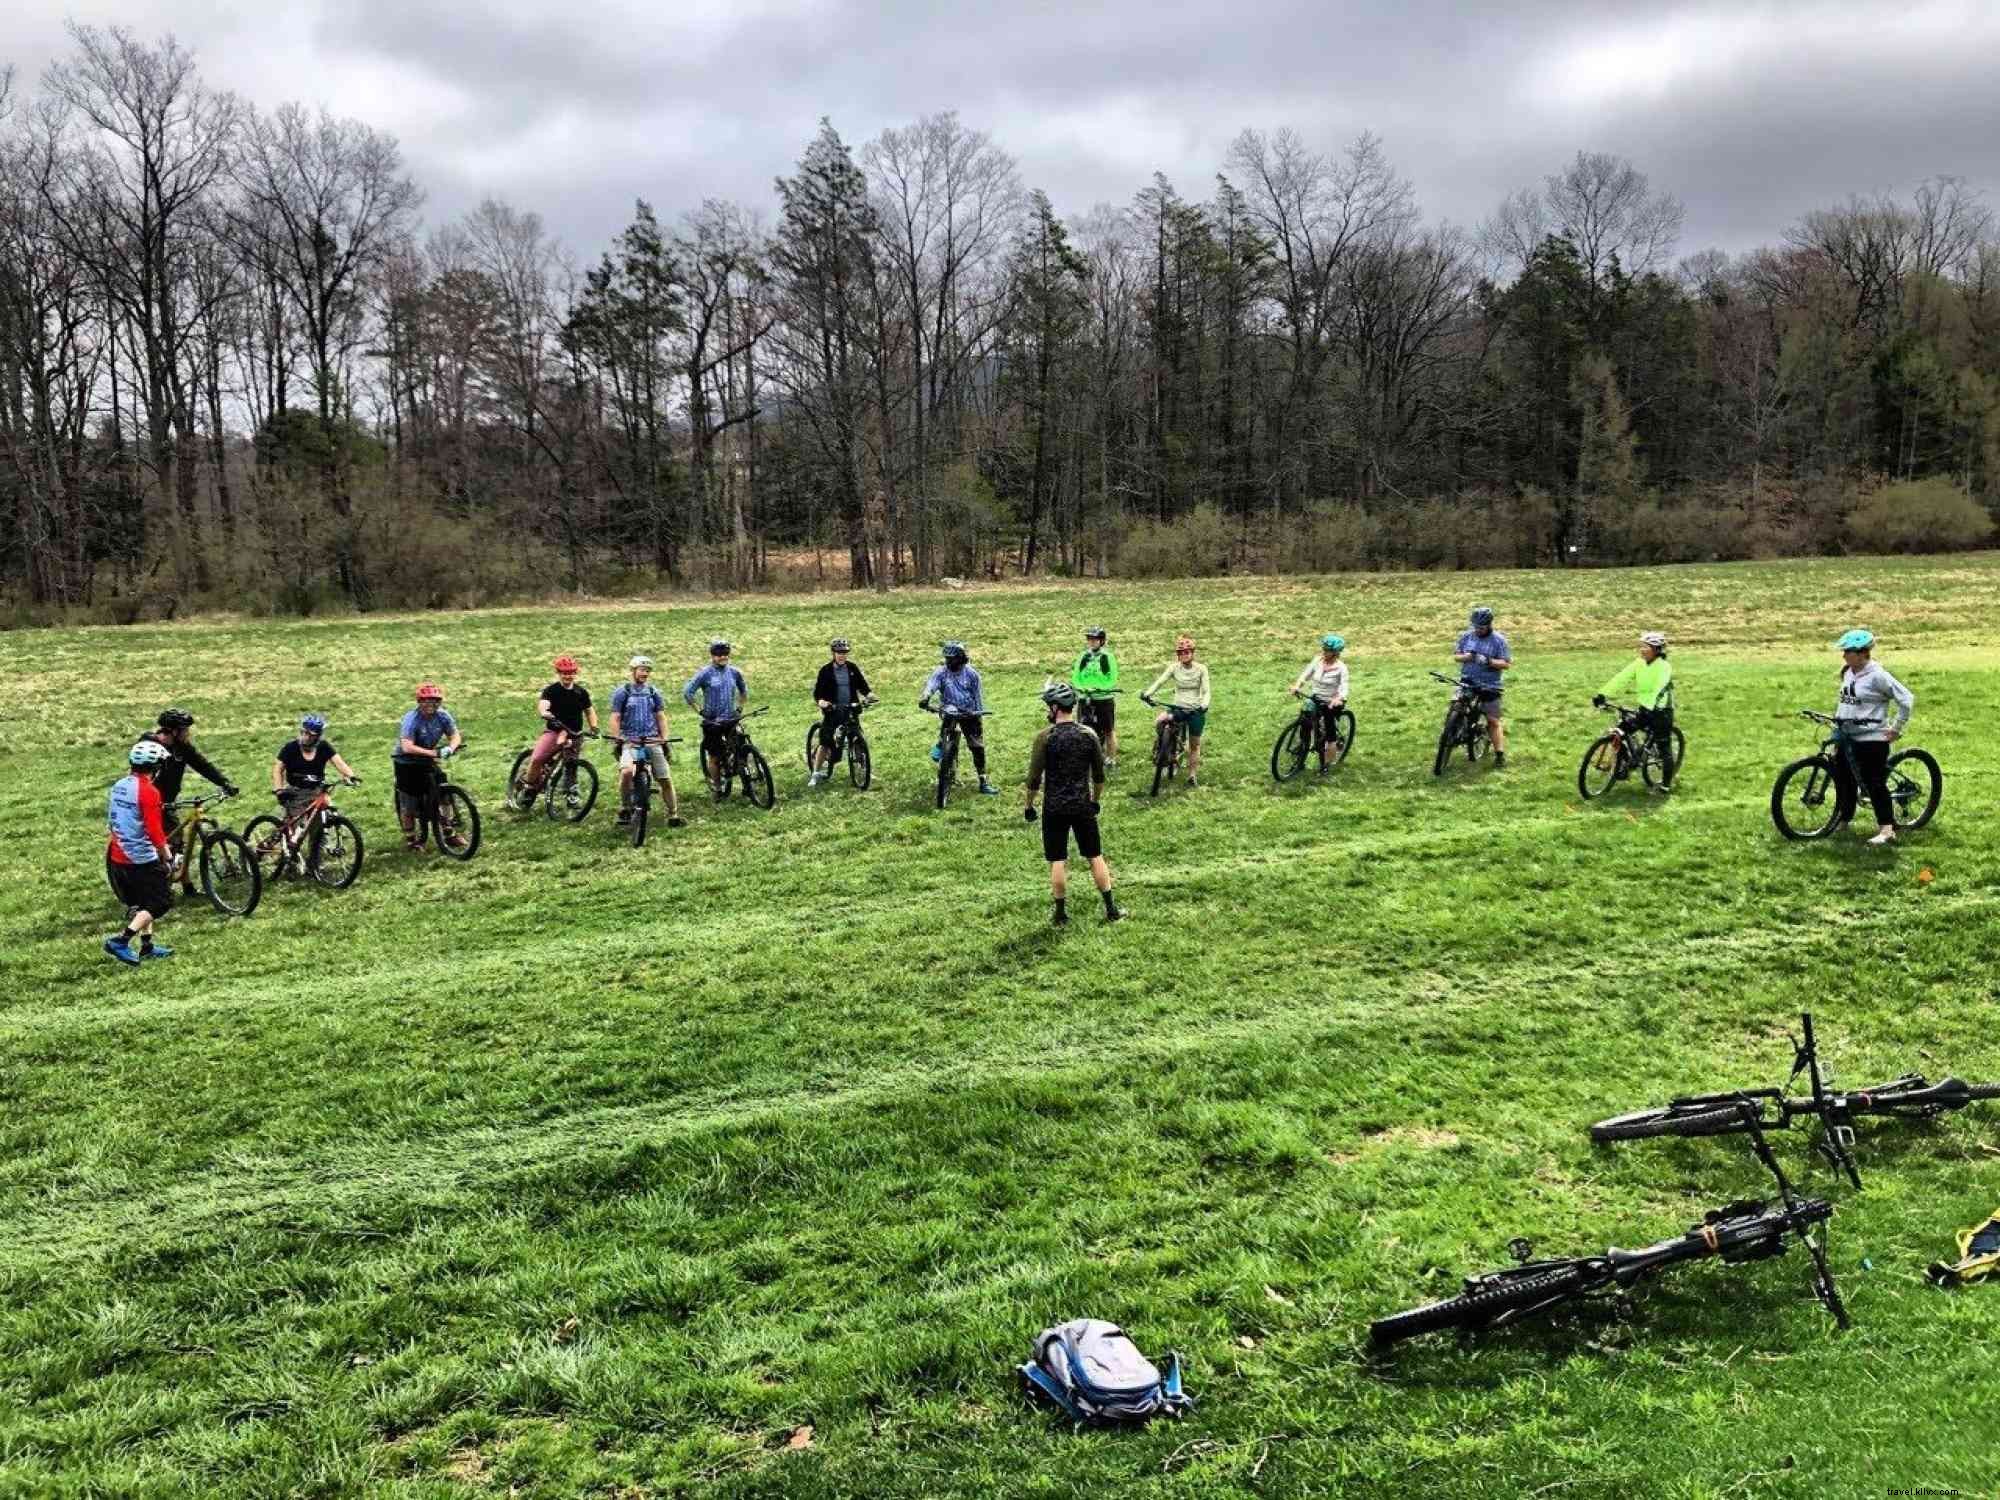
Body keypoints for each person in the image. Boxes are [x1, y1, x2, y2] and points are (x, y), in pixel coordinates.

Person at [1025, 683, 1124, 926]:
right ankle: (1111, 909)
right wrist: (1095, 801)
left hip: (1054, 807)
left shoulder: (1044, 738)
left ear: (1056, 708)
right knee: (1095, 856)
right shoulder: (1088, 735)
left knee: (1058, 859)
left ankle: (1060, 914)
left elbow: (1034, 778)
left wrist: (1029, 805)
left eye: (1049, 706)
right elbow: (1099, 776)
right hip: (1082, 805)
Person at [1831, 628, 1913, 846]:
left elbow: (1906, 699)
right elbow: (1846, 701)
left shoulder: (1878, 676)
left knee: (1874, 782)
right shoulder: (1848, 671)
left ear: (1861, 653)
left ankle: (1887, 829)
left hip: (1872, 738)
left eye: (1847, 651)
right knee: (1843, 778)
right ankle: (1843, 820)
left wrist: (1896, 728)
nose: (1844, 655)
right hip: (1847, 735)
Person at [141, 708, 238, 885]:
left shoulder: (183, 748)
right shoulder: (150, 746)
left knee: (177, 844)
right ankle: (154, 883)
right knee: (154, 843)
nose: (188, 734)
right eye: (185, 730)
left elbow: (202, 765)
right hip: (147, 802)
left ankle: (183, 882)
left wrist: (224, 783)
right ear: (174, 731)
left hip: (167, 802)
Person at [103, 739, 176, 965]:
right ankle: (121, 941)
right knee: (160, 902)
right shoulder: (149, 792)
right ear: (155, 766)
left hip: (118, 853)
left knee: (144, 902)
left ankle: (147, 946)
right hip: (139, 858)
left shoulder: (119, 785)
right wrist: (167, 854)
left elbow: (111, 821)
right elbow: (154, 830)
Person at [1593, 632, 1676, 791]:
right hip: (1645, 709)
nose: (1642, 650)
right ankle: (1624, 767)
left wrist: (1652, 707)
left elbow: (1660, 688)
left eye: (1647, 647)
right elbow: (1621, 678)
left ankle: (1665, 784)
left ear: (1657, 650)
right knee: (1622, 729)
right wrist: (1603, 693)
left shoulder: (1664, 667)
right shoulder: (1638, 663)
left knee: (1664, 747)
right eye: (1642, 646)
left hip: (1661, 711)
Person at [610, 655, 683, 827]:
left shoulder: (653, 692)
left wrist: (664, 737)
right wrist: (617, 737)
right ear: (633, 671)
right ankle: (626, 807)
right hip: (631, 741)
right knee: (627, 772)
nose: (645, 673)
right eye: (642, 670)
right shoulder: (623, 692)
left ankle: (673, 814)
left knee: (664, 778)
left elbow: (660, 716)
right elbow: (615, 717)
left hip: (652, 740)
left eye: (648, 671)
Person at [516, 655, 600, 805]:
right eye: (564, 673)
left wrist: (594, 726)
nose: (568, 676)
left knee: (571, 764)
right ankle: (528, 786)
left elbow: (589, 710)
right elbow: (544, 704)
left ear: (575, 673)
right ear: (559, 673)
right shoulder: (551, 690)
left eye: (571, 673)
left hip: (575, 734)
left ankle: (571, 792)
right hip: (554, 731)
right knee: (537, 759)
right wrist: (545, 712)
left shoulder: (581, 693)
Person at [919, 640, 998, 794]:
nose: (949, 661)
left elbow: (977, 697)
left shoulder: (972, 674)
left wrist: (977, 712)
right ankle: (942, 743)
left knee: (977, 747)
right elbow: (931, 685)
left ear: (961, 658)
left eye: (952, 658)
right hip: (950, 709)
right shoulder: (941, 672)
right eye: (947, 658)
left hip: (970, 713)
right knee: (949, 715)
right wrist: (925, 697)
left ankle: (983, 781)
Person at [393, 683, 462, 851]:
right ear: (419, 702)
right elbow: (407, 746)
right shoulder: (411, 719)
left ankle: (448, 832)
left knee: (444, 793)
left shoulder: (443, 716)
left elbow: (455, 735)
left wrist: (451, 748)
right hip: (406, 762)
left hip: (427, 759)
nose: (431, 704)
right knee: (409, 804)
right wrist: (434, 754)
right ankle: (412, 840)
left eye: (435, 701)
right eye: (426, 701)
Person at [684, 639, 751, 796]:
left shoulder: (734, 672)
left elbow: (743, 690)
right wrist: (700, 711)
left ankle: (747, 785)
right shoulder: (705, 674)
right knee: (715, 756)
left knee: (742, 749)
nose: (723, 657)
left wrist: (740, 708)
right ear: (713, 656)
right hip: (712, 721)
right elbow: (688, 693)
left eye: (725, 654)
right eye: (719, 655)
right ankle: (718, 789)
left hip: (731, 718)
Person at [1142, 635, 1211, 786]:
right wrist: (1148, 693)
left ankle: (1192, 775)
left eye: (1187, 652)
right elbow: (1160, 682)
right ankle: (1162, 750)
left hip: (1195, 710)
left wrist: (1204, 705)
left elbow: (1206, 691)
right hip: (1177, 708)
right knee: (1159, 721)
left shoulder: (1201, 669)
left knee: (1194, 745)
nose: (1184, 655)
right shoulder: (1174, 668)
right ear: (1178, 655)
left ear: (1192, 653)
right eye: (1181, 653)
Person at [809, 637, 874, 787]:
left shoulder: (852, 668)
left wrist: (869, 695)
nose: (842, 655)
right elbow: (818, 693)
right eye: (839, 652)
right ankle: (815, 773)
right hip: (833, 711)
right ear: (833, 653)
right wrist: (822, 702)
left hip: (850, 709)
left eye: (844, 652)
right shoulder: (826, 670)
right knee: (825, 742)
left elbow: (863, 686)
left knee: (858, 739)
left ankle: (864, 769)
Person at [271, 714, 358, 826]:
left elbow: (339, 763)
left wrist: (351, 776)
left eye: (310, 735)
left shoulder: (323, 747)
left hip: (317, 791)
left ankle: (320, 840)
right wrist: (279, 790)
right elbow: (278, 769)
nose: (306, 737)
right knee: (296, 829)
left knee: (321, 823)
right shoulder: (290, 748)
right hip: (296, 793)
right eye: (304, 732)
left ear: (317, 737)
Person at [1453, 606, 1512, 767]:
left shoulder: (1499, 641)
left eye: (1481, 627)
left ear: (1489, 625)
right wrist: (1467, 657)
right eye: (1475, 626)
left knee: (1493, 720)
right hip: (1467, 680)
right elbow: (1456, 656)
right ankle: (1452, 732)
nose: (1478, 630)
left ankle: (1499, 754)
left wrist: (1489, 661)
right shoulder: (1466, 637)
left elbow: (1506, 664)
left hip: (1490, 685)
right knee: (1456, 706)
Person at [1291, 634, 1350, 772]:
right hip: (1316, 698)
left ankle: (1326, 764)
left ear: (1336, 653)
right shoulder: (1317, 660)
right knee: (1305, 723)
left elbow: (1344, 687)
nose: (1324, 651)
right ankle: (1301, 758)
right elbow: (1306, 674)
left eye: (1327, 650)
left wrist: (1338, 698)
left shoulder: (1341, 668)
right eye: (1323, 648)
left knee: (1327, 733)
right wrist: (1297, 685)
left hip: (1332, 702)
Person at [1071, 626, 1120, 772]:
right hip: (1085, 697)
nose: (1092, 642)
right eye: (1090, 639)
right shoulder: (1083, 656)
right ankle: (1084, 757)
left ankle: (1111, 759)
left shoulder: (1107, 657)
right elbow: (1076, 675)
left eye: (1095, 639)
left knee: (1108, 730)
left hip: (1103, 697)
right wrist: (1080, 687)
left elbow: (1113, 677)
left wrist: (1100, 687)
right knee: (1082, 729)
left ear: (1102, 641)